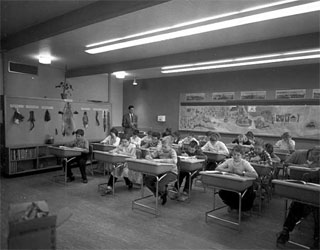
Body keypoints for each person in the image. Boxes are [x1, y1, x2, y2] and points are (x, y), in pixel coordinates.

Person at [276, 169, 320, 249]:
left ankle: (317, 238)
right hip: (310, 201)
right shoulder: (312, 175)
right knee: (298, 203)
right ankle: (286, 230)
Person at [216, 145, 258, 212]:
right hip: (231, 183)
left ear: (242, 155)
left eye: (238, 155)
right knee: (222, 192)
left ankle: (238, 208)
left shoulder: (245, 163)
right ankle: (233, 206)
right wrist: (228, 170)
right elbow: (217, 168)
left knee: (244, 194)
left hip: (242, 185)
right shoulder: (229, 161)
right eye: (234, 154)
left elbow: (255, 175)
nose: (235, 156)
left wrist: (242, 173)